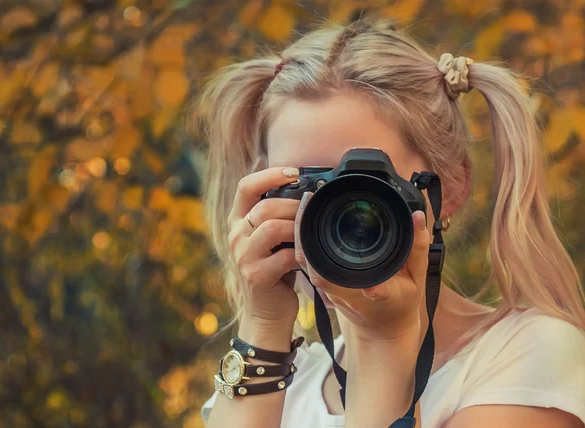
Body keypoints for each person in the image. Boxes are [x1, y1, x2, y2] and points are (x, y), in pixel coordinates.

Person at [190, 18, 585, 428]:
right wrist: (264, 324)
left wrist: (384, 340)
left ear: (448, 188)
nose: (331, 211)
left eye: (367, 185)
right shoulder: (288, 384)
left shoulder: (528, 358)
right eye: (307, 184)